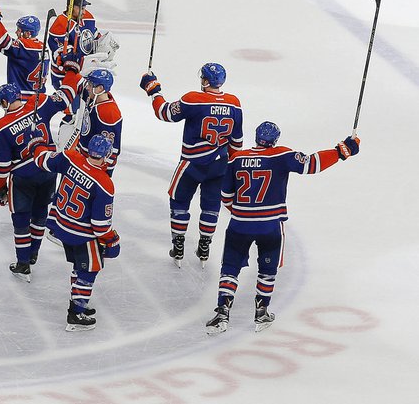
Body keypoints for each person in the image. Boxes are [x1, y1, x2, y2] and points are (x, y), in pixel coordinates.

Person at [205, 122, 360, 335]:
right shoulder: (281, 155)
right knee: (267, 270)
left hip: (239, 224)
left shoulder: (237, 158)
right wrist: (343, 150)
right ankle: (261, 312)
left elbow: (226, 196)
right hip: (269, 226)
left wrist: (242, 213)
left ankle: (222, 312)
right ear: (275, 140)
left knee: (230, 268)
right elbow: (311, 164)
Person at [140, 62, 243, 266]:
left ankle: (178, 244)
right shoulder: (234, 103)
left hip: (191, 165)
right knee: (211, 206)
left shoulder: (194, 99)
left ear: (205, 81)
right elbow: (236, 143)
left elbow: (164, 112)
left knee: (179, 202)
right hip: (219, 165)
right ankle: (205, 245)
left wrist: (153, 89)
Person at [27, 129, 120, 330]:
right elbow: (100, 225)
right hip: (82, 234)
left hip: (61, 225)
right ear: (106, 155)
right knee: (89, 269)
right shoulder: (104, 183)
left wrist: (36, 143)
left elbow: (43, 161)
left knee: (80, 266)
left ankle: (79, 301)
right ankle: (76, 313)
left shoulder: (71, 157)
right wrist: (112, 240)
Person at [0, 82, 70, 280]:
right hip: (48, 169)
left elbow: (1, 167)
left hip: (24, 177)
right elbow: (65, 98)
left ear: (3, 102)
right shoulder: (39, 102)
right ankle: (34, 252)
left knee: (21, 219)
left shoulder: (0, 127)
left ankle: (23, 262)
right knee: (41, 211)